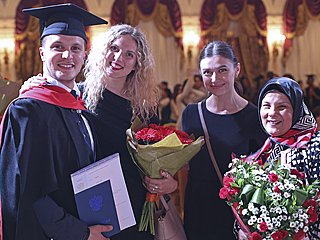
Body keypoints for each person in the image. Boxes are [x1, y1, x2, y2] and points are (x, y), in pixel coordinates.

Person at [0, 4, 113, 240]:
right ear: (42, 52)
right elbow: (30, 192)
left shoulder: (81, 108)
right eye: (57, 47)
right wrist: (80, 233)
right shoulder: (28, 110)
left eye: (75, 48)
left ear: (84, 54)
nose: (67, 56)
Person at [81, 24, 178, 240]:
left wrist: (168, 182)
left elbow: (155, 162)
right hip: (91, 202)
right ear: (102, 51)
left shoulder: (145, 108)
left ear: (137, 64)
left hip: (135, 204)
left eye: (129, 54)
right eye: (113, 48)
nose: (118, 58)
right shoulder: (79, 97)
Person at [181, 41, 267, 240]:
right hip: (198, 210)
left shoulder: (255, 117)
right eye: (207, 72)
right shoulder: (191, 114)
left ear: (237, 69)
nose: (214, 78)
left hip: (238, 216)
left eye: (222, 70)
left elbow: (263, 176)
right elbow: (186, 164)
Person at [238, 77, 320, 240]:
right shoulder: (264, 151)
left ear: (296, 109)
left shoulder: (315, 146)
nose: (272, 113)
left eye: (282, 107)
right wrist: (243, 231)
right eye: (266, 106)